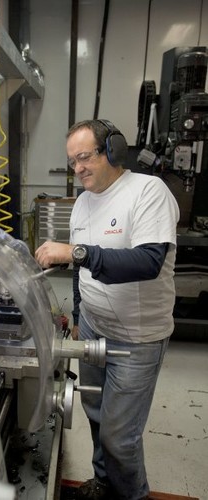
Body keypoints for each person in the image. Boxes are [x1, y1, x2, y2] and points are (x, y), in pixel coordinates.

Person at [35, 119, 179, 500]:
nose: (78, 168)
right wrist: (81, 316)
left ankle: (132, 495)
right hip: (94, 331)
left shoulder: (149, 192)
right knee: (96, 413)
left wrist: (75, 252)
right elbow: (85, 270)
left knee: (119, 436)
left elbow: (147, 262)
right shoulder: (82, 202)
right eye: (72, 162)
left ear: (112, 150)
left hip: (138, 338)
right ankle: (105, 482)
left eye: (85, 157)